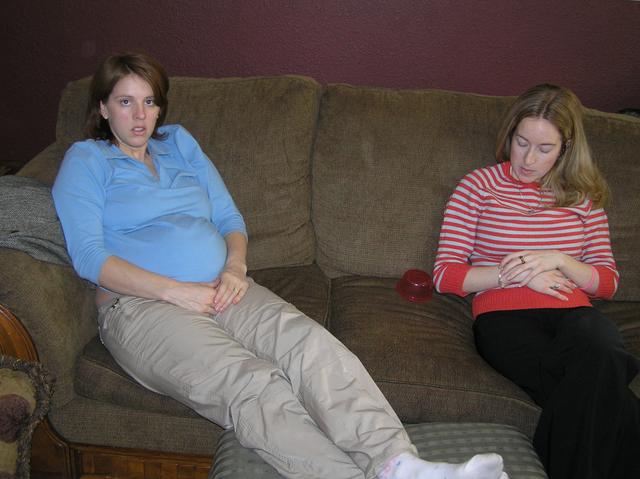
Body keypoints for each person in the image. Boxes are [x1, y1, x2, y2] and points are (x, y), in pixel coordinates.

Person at [52, 51, 508, 479]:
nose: (140, 115)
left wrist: (234, 268)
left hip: (222, 288)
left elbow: (229, 218)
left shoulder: (178, 144)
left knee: (312, 347)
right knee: (253, 385)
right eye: (126, 102)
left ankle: (398, 465)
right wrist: (174, 291)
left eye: (149, 102)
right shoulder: (88, 160)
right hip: (141, 307)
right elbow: (90, 257)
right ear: (104, 108)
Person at [433, 83, 640, 479]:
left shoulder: (585, 198)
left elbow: (608, 282)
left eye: (544, 149)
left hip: (574, 313)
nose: (528, 159)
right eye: (521, 142)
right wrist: (523, 272)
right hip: (504, 318)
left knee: (605, 353)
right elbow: (446, 275)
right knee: (602, 388)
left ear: (566, 147)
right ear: (509, 134)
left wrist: (558, 261)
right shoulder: (477, 187)